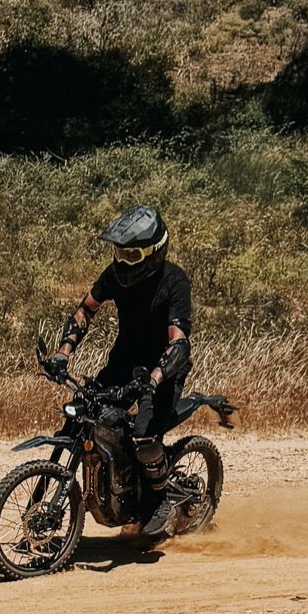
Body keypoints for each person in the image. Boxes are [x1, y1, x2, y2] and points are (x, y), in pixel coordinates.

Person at [45, 204, 192, 536]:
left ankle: (159, 501)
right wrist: (62, 354)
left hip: (163, 371)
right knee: (82, 414)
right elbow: (86, 310)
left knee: (143, 435)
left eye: (131, 255)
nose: (122, 261)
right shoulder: (114, 276)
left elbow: (179, 343)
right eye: (119, 253)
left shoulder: (175, 282)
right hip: (124, 362)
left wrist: (154, 379)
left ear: (153, 252)